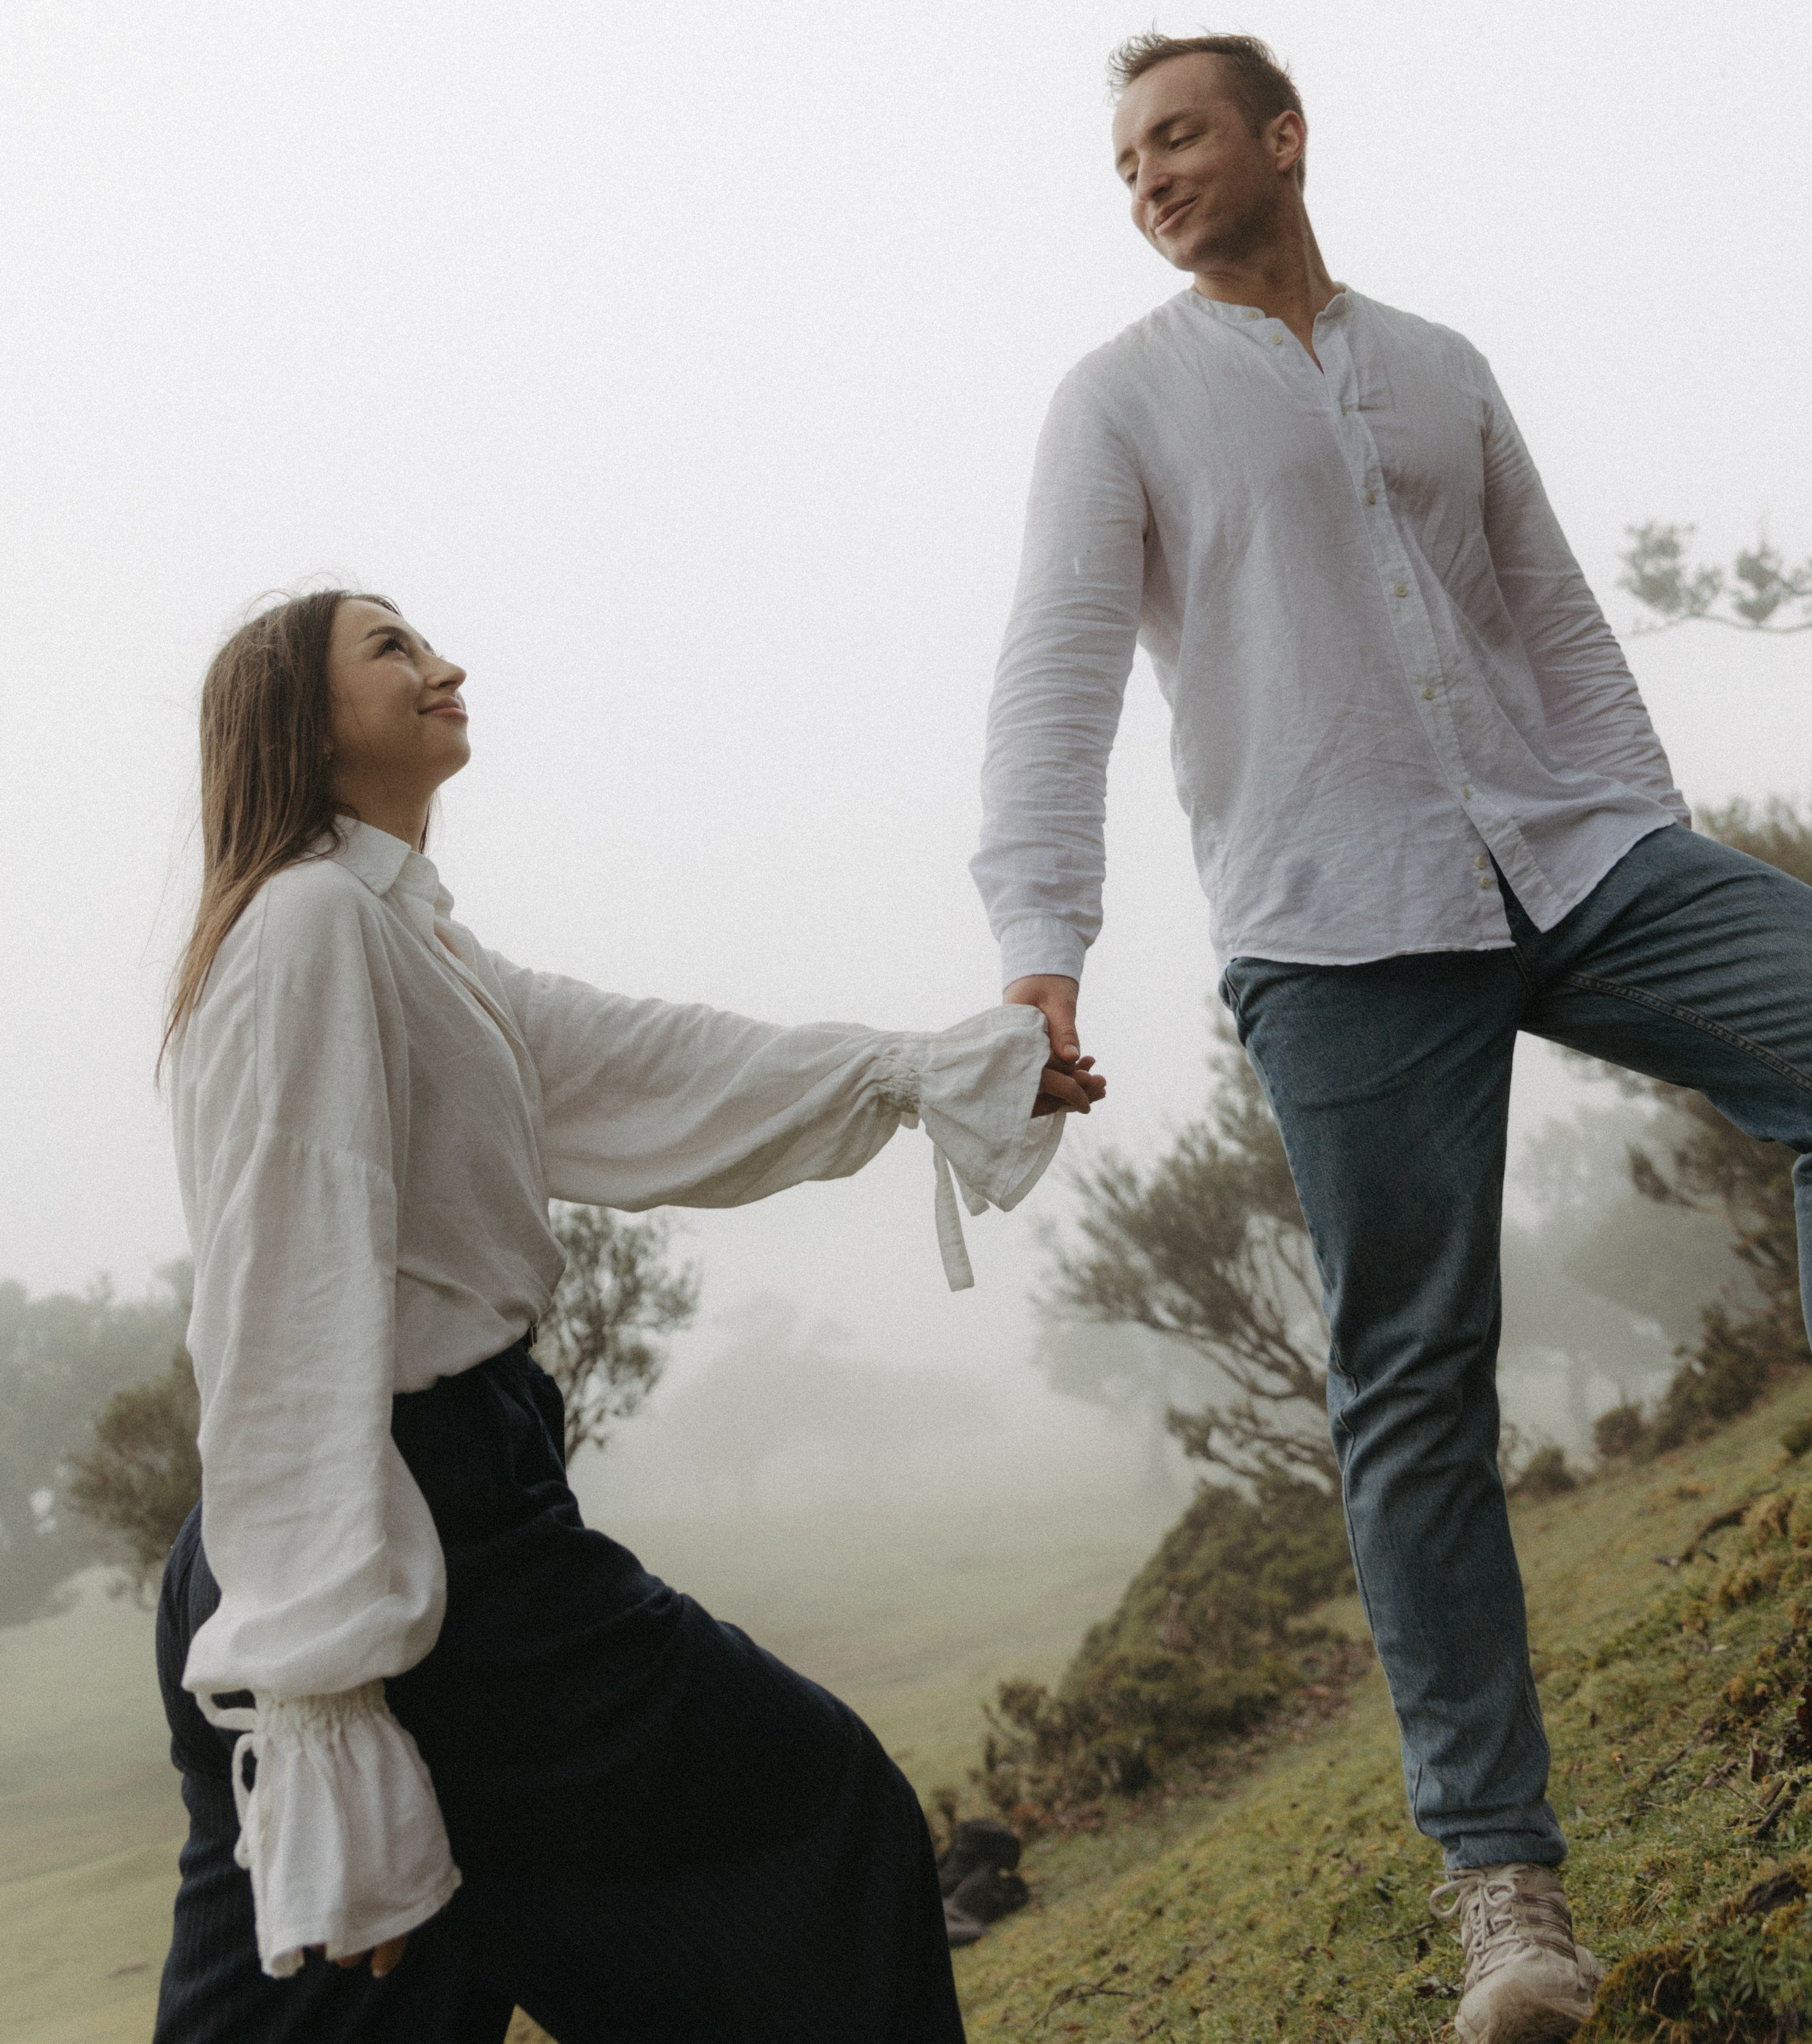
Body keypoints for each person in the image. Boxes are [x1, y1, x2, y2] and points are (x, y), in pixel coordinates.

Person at [972, 30, 1812, 2044]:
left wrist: (1643, 823)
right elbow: (1052, 675)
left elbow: (1553, 620)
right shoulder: (1119, 399)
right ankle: (1508, 1891)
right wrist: (1044, 938)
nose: (1148, 176)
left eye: (1181, 134)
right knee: (1413, 1380)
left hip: (1575, 857)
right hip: (1339, 921)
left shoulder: (1443, 366)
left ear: (1285, 138)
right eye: (1125, 158)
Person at [153, 586, 1103, 2043]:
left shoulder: (415, 944)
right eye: (393, 647)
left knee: (375, 2001)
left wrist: (927, 1073)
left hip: (397, 1524)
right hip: (381, 1533)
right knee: (817, 1818)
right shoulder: (307, 927)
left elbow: (650, 1069)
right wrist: (323, 1708)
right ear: (297, 715)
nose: (444, 665)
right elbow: (284, 1300)